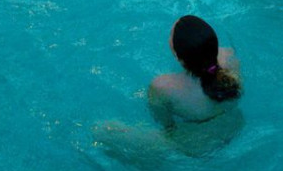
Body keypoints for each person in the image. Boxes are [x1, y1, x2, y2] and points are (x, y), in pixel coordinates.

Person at [94, 15, 243, 158]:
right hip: (234, 125)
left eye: (171, 35)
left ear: (178, 57)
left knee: (103, 131)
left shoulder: (163, 87)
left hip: (196, 142)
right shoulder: (229, 56)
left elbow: (166, 125)